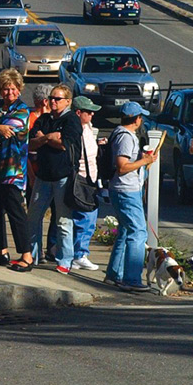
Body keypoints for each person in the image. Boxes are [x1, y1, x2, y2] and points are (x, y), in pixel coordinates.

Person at [27, 84, 81, 274]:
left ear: (67, 101)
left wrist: (45, 139)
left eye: (58, 99)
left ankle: (65, 260)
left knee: (63, 220)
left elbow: (65, 145)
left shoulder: (71, 120)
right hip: (43, 176)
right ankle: (32, 255)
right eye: (51, 98)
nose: (53, 102)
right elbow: (31, 143)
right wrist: (48, 138)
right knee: (33, 217)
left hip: (63, 177)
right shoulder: (44, 119)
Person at [0, 69, 33, 272]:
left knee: (16, 213)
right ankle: (0, 251)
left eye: (13, 88)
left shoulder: (22, 110)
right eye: (5, 88)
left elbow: (8, 130)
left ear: (19, 89)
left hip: (13, 170)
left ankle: (26, 256)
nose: (9, 92)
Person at [105, 102, 157, 292]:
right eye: (140, 117)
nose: (141, 120)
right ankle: (132, 278)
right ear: (136, 119)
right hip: (126, 190)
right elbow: (122, 166)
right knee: (138, 231)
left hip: (122, 189)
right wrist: (145, 160)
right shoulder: (126, 137)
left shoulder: (121, 134)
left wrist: (141, 159)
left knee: (126, 231)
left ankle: (114, 274)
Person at [70, 95, 103, 271]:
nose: (91, 115)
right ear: (78, 112)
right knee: (85, 218)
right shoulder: (76, 130)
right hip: (81, 178)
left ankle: (78, 253)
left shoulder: (88, 127)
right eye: (88, 112)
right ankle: (79, 255)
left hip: (90, 179)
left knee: (87, 217)